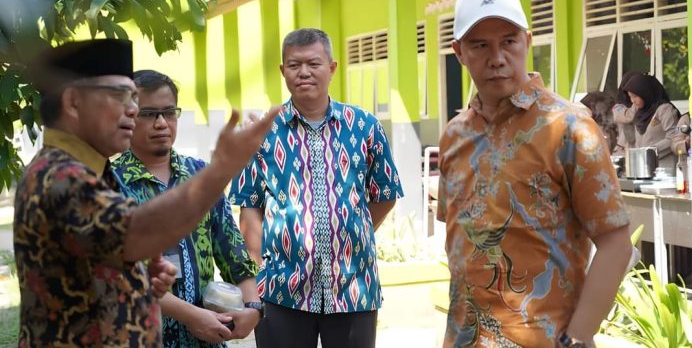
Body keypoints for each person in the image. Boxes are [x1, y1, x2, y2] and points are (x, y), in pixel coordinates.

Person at [13, 39, 278, 346]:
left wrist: (140, 280)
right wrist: (220, 171)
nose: (132, 110)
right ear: (73, 102)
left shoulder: (92, 171)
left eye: (134, 98)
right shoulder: (59, 177)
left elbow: (100, 262)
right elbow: (137, 234)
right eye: (121, 96)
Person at [438, 0, 632, 347]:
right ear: (459, 52)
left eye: (508, 41)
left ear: (527, 41)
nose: (497, 57)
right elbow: (460, 246)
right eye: (480, 45)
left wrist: (578, 337)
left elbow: (616, 243)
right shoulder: (454, 135)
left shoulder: (569, 127)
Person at [230, 28, 404, 348]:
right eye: (294, 65)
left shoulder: (365, 126)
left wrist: (353, 232)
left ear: (332, 68)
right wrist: (258, 277)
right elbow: (249, 207)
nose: (304, 72)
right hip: (282, 291)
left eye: (314, 63)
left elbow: (385, 194)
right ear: (283, 71)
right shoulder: (261, 132)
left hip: (353, 290)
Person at [112, 70, 262, 347]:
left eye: (169, 112)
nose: (161, 123)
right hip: (141, 336)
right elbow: (120, 273)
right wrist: (191, 316)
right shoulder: (111, 182)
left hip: (206, 337)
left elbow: (231, 248)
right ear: (129, 115)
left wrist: (252, 305)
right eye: (148, 114)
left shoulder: (200, 174)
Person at [622, 73, 680, 168]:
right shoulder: (639, 113)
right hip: (645, 167)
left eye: (635, 96)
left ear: (645, 93)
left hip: (664, 169)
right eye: (630, 97)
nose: (632, 100)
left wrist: (649, 151)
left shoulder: (665, 109)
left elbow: (674, 137)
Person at [612, 71, 643, 155]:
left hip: (638, 148)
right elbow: (628, 117)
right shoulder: (618, 107)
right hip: (623, 150)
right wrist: (639, 100)